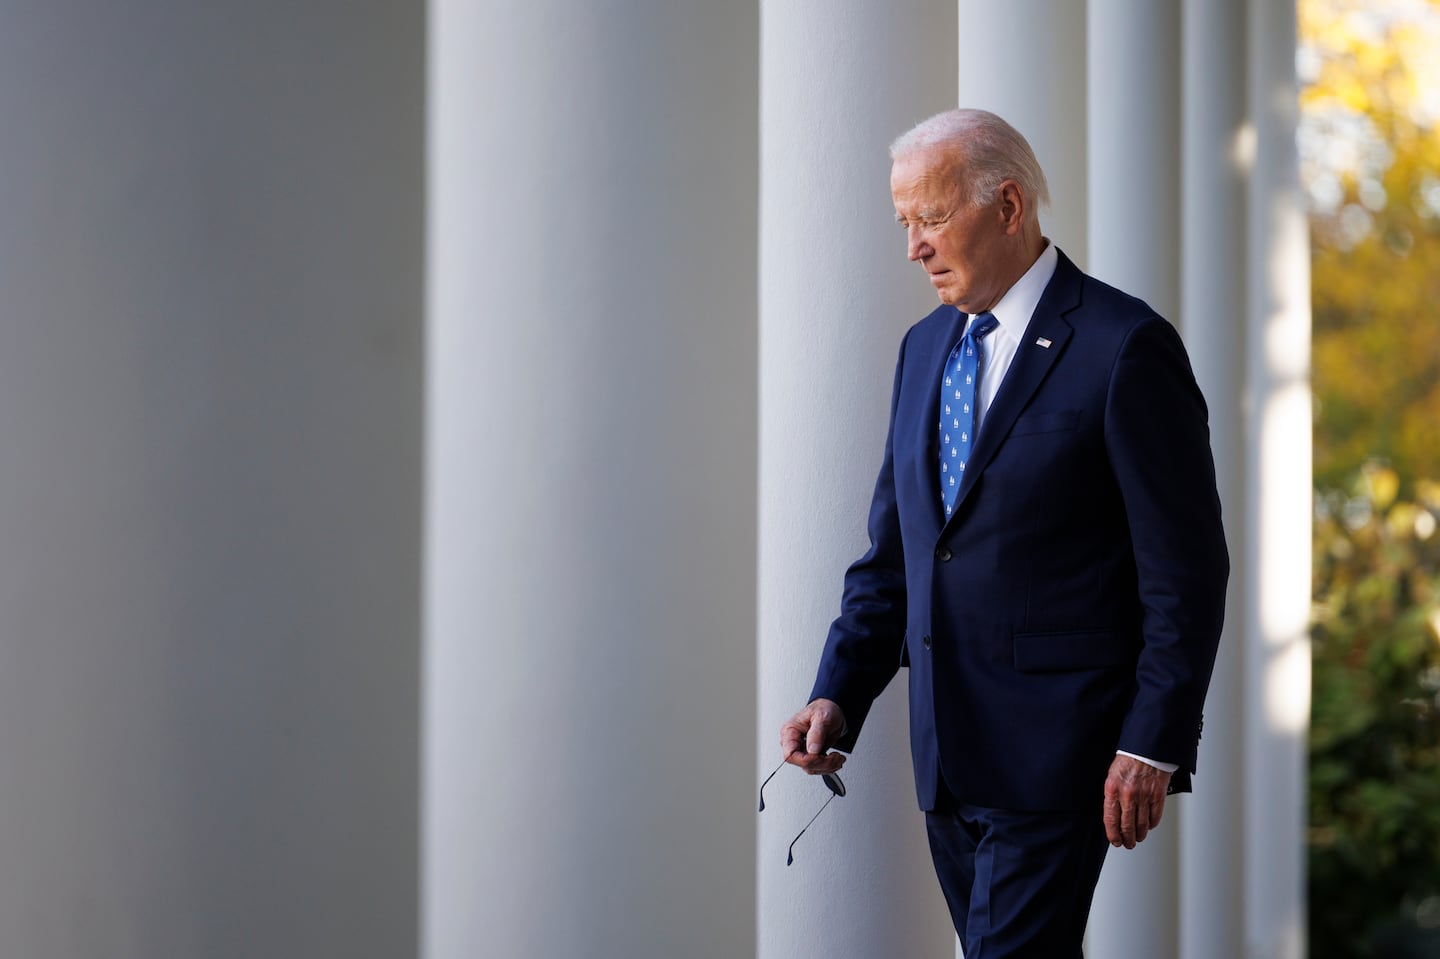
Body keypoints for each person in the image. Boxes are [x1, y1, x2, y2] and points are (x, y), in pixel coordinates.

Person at [778, 108, 1229, 956]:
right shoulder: (922, 350)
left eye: (933, 217)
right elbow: (897, 557)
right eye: (904, 221)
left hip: (1061, 756)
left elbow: (1187, 572)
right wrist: (838, 691)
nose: (913, 245)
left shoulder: (1125, 346)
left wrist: (1153, 741)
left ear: (1010, 206)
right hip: (946, 755)